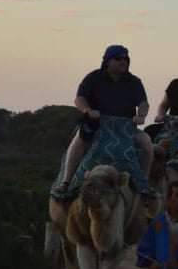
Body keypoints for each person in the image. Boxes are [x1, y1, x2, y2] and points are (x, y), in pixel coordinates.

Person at [54, 44, 153, 195]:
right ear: (107, 61)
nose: (123, 62)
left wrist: (141, 115)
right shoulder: (93, 78)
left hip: (125, 128)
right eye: (118, 58)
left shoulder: (134, 82)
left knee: (146, 144)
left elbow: (143, 103)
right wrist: (87, 110)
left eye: (126, 59)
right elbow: (80, 98)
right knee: (79, 141)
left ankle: (144, 183)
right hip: (97, 125)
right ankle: (66, 181)